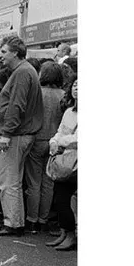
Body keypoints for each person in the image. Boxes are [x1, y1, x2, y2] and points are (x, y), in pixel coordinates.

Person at [0, 34, 45, 237]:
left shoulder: (22, 73)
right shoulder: (25, 71)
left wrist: (6, 133)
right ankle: (15, 221)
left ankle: (12, 223)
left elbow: (17, 105)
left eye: (3, 52)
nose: (0, 56)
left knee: (9, 180)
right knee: (13, 179)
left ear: (15, 53)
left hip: (15, 135)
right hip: (20, 133)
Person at [25, 60, 68, 236]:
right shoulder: (64, 95)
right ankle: (43, 219)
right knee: (48, 182)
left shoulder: (37, 93)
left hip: (36, 138)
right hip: (56, 141)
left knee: (33, 182)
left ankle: (32, 219)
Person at [46, 79, 78, 251]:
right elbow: (60, 130)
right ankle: (64, 232)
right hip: (64, 157)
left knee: (66, 197)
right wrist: (54, 141)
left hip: (77, 160)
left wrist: (61, 142)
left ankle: (71, 234)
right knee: (60, 196)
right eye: (74, 85)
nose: (76, 89)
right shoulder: (68, 111)